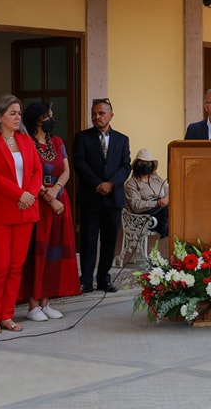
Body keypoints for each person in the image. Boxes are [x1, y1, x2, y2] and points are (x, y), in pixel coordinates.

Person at [0, 94, 42, 334]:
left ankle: (6, 315)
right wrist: (19, 194)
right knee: (0, 267)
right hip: (1, 213)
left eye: (19, 113)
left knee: (16, 267)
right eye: (13, 113)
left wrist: (30, 195)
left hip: (26, 210)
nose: (18, 117)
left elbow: (37, 169)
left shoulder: (25, 140)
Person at [19, 102, 81, 322]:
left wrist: (56, 191)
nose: (51, 119)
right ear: (37, 119)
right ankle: (33, 303)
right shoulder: (26, 143)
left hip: (59, 201)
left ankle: (46, 301)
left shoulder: (57, 142)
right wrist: (48, 197)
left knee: (55, 253)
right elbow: (30, 175)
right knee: (38, 252)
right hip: (38, 203)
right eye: (48, 116)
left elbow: (65, 170)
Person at [72, 98, 132, 294]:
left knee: (109, 241)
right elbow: (79, 164)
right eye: (94, 114)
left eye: (101, 113)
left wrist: (111, 184)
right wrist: (98, 184)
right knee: (88, 240)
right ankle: (86, 280)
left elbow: (125, 166)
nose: (97, 117)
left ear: (110, 116)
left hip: (113, 197)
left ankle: (104, 279)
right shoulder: (82, 137)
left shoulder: (122, 139)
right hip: (91, 196)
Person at [125, 148, 169, 239]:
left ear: (152, 165)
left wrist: (168, 198)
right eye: (142, 163)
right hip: (144, 217)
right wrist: (157, 203)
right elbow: (136, 206)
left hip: (163, 210)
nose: (145, 165)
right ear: (137, 165)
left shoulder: (157, 179)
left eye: (148, 163)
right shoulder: (131, 183)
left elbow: (169, 192)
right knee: (166, 210)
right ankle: (167, 230)